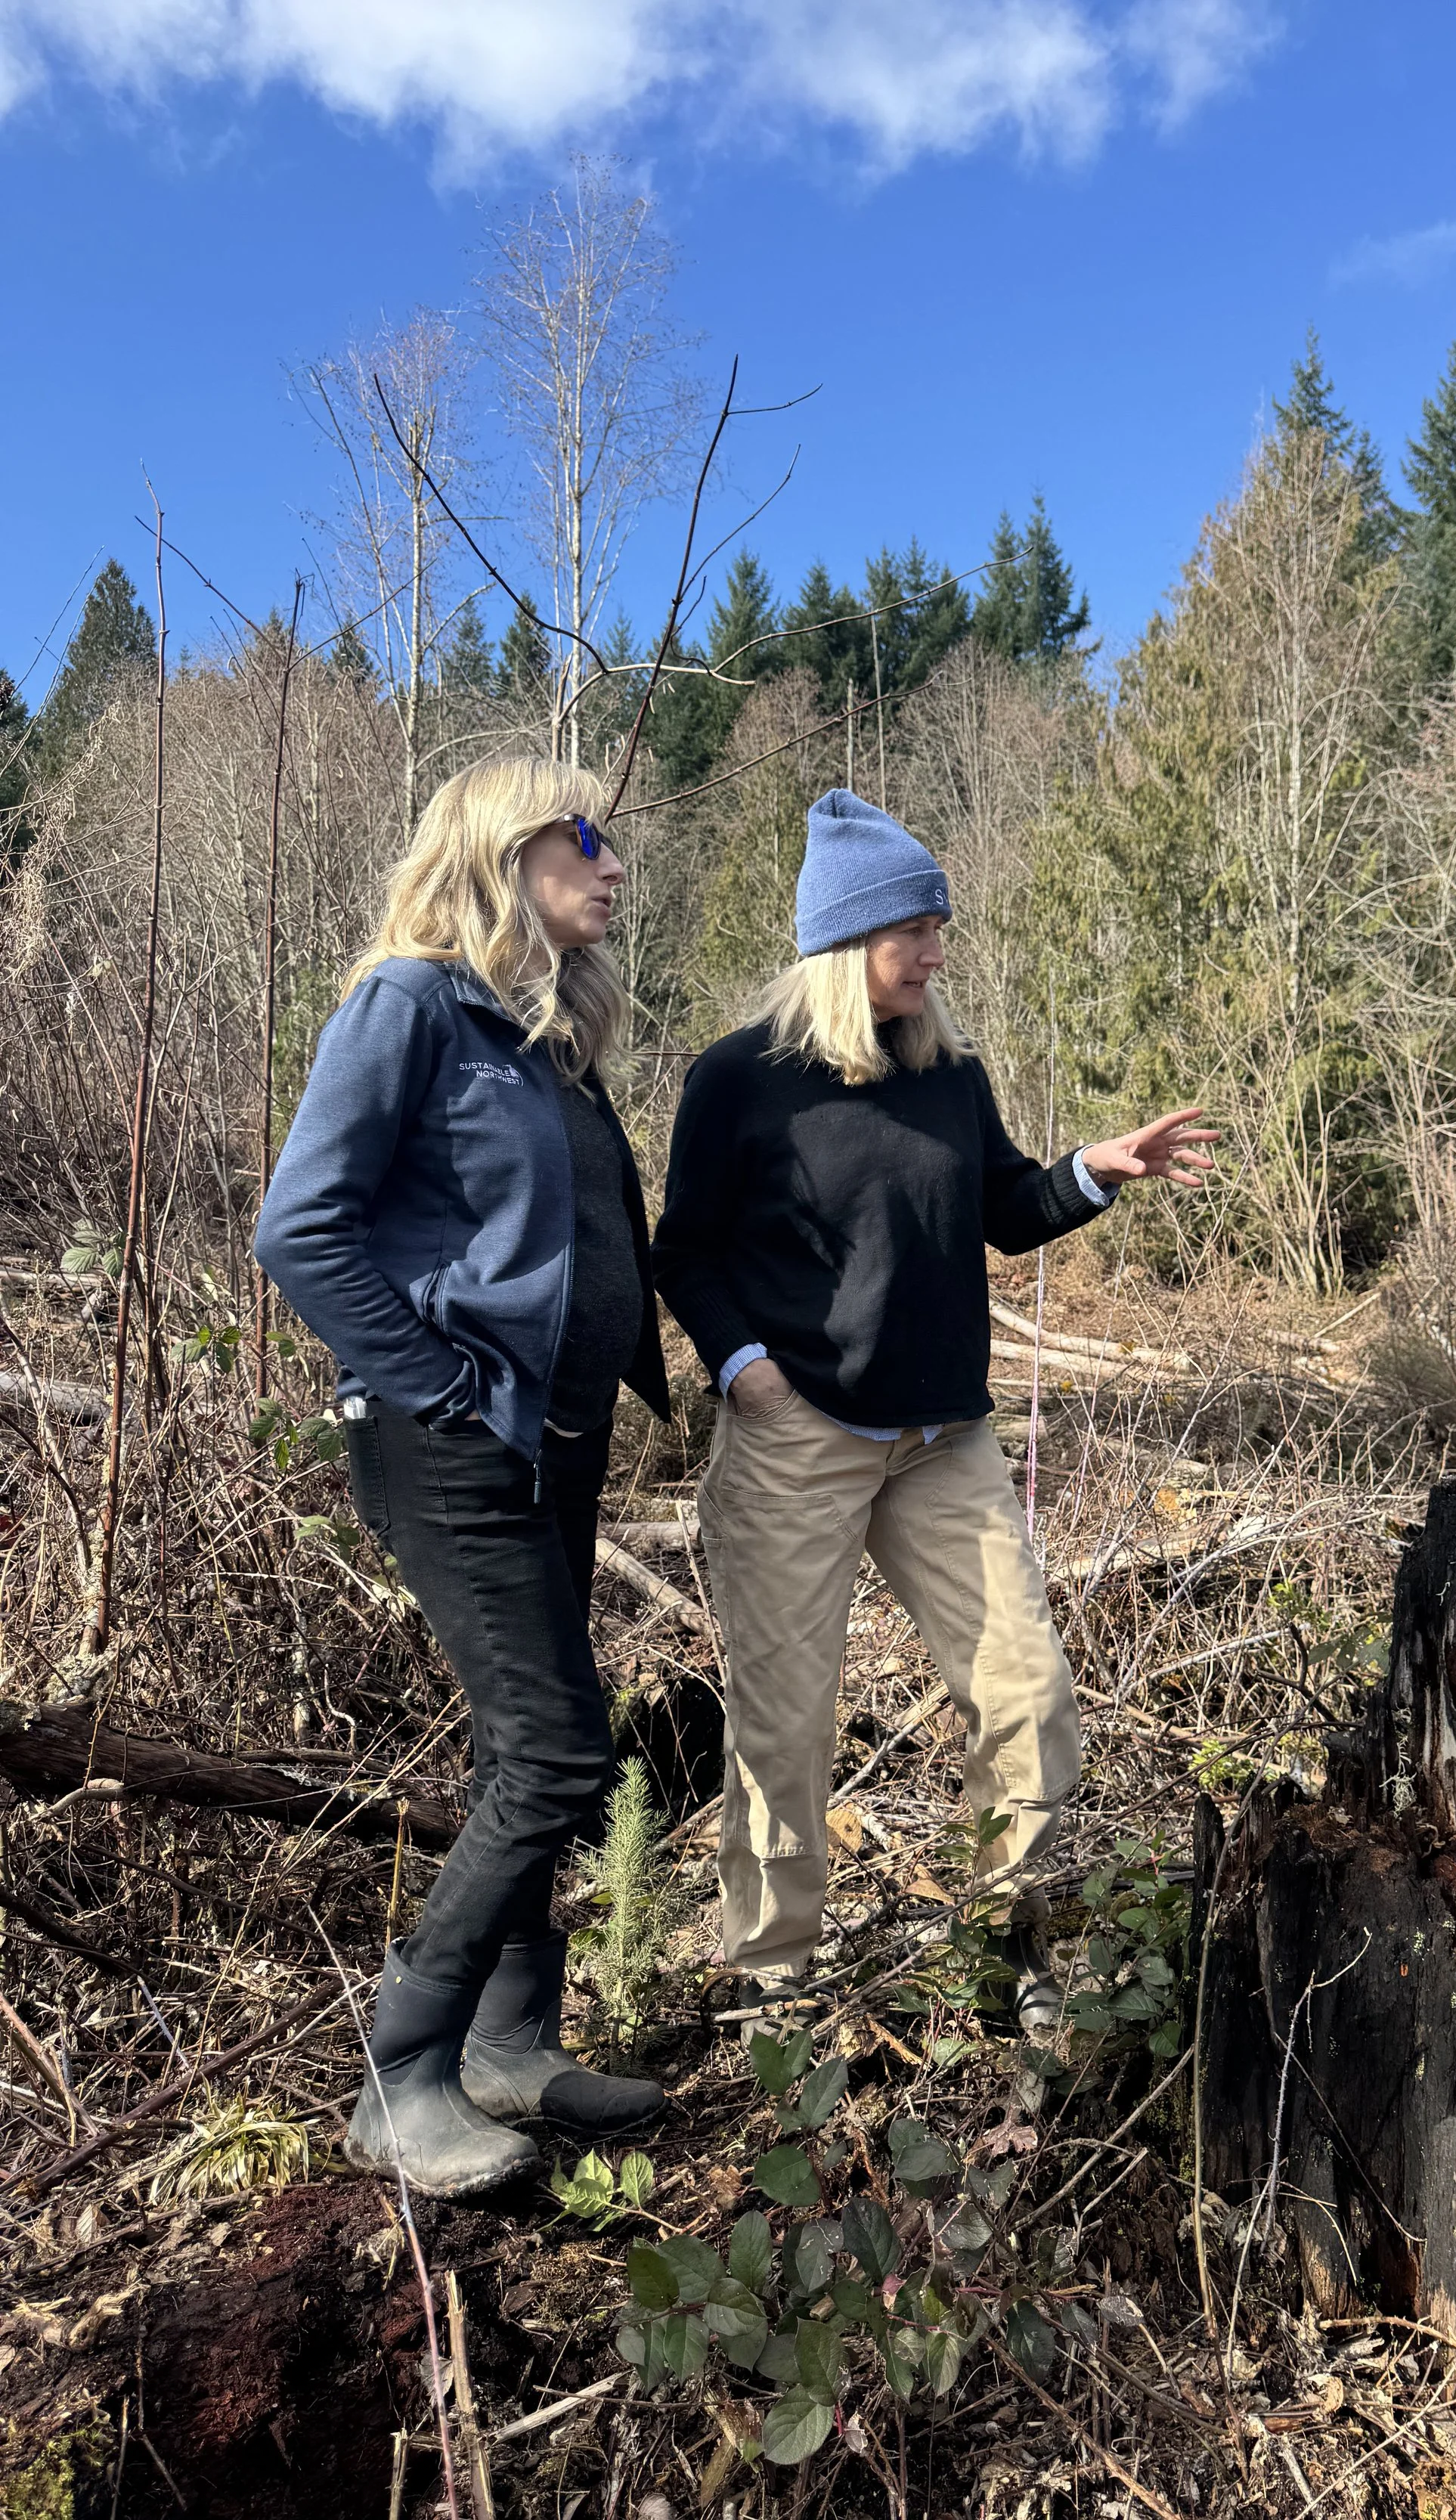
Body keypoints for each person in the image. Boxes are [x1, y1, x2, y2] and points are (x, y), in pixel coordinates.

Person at [652, 787, 1216, 2035]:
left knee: (1027, 1693)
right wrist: (743, 1365)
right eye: (917, 928)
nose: (938, 951)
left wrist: (1095, 1173)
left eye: (940, 926)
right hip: (799, 1440)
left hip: (943, 1443)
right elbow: (682, 1251)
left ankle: (1000, 1943)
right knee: (786, 1724)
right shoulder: (739, 1082)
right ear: (852, 942)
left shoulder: (949, 1074)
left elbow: (1005, 1207)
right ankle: (772, 1980)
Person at [256, 756, 670, 2200]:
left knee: (523, 1752)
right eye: (585, 839)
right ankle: (401, 2069)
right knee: (561, 1751)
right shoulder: (409, 1004)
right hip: (450, 1442)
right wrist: (432, 1382)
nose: (613, 864)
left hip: (553, 1444)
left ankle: (511, 2043)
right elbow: (301, 1226)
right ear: (503, 853)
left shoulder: (544, 1036)